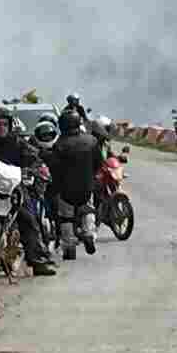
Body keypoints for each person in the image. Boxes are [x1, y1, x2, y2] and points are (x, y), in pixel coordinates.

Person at [0, 103, 53, 278]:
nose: (1, 128)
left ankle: (38, 261)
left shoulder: (17, 142)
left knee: (28, 218)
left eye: (5, 124)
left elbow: (33, 157)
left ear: (10, 125)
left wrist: (35, 168)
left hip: (14, 186)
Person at [47, 96, 104, 253]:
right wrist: (90, 176)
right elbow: (99, 163)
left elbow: (54, 168)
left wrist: (55, 186)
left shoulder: (59, 144)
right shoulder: (92, 141)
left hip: (66, 190)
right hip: (86, 186)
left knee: (65, 217)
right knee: (88, 209)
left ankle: (69, 244)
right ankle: (89, 233)